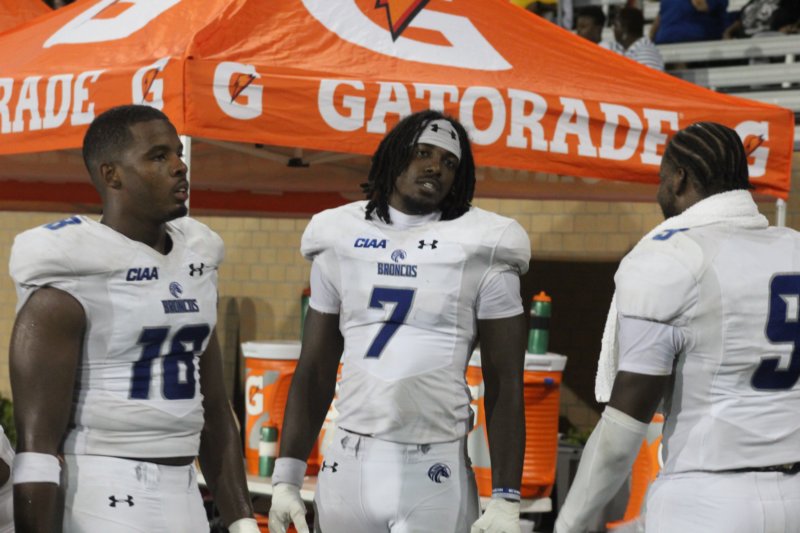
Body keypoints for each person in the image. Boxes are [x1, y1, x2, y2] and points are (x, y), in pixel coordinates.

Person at [268, 110, 531, 533]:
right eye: (423, 153)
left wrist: (506, 496)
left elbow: (504, 379)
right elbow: (315, 366)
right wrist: (287, 476)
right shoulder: (338, 234)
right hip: (349, 461)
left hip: (434, 468)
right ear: (393, 157)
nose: (435, 167)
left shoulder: (485, 243)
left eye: (449, 162)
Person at [9, 105, 258, 533]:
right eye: (158, 156)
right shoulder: (71, 273)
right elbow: (37, 448)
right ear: (112, 175)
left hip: (187, 493)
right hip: (104, 492)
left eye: (178, 153)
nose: (179, 167)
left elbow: (215, 410)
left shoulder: (197, 258)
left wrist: (242, 521)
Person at [555, 122, 800, 533]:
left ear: (679, 178)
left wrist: (569, 523)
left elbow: (624, 427)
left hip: (710, 496)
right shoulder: (793, 246)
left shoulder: (672, 256)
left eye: (661, 178)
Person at [650, 0, 729, 44]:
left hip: (664, 38)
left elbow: (658, 20)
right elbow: (700, 5)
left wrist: (652, 38)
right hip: (690, 36)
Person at [612, 6, 665, 71]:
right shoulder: (622, 49)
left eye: (616, 25)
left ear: (625, 29)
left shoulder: (646, 53)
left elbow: (646, 77)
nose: (613, 29)